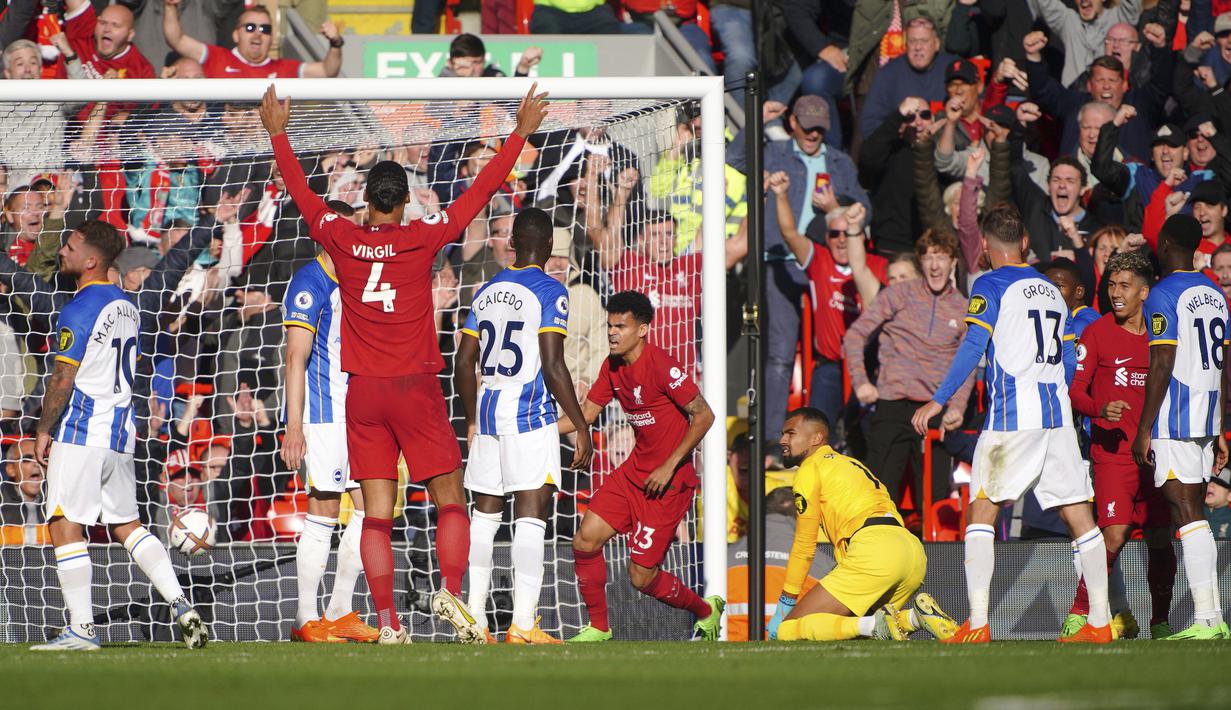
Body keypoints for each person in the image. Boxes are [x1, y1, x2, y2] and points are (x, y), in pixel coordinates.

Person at [260, 83, 549, 645]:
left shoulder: (340, 237)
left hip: (362, 395)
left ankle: (389, 622)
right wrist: (519, 133)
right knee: (451, 499)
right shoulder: (425, 237)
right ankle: (450, 590)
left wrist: (278, 133)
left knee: (373, 515)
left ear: (367, 199)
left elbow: (301, 194)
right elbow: (480, 193)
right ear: (405, 201)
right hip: (416, 388)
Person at [912, 204, 1113, 644]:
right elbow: (1065, 360)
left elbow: (973, 345)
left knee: (981, 509)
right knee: (1079, 514)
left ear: (984, 247)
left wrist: (938, 398)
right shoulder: (1049, 289)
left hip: (1012, 415)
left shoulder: (990, 284)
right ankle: (1100, 623)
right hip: (1056, 415)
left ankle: (980, 624)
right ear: (1024, 243)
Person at [30, 220, 207, 651]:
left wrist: (42, 427)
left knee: (63, 523)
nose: (63, 251)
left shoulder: (79, 308)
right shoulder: (128, 305)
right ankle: (181, 604)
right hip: (121, 432)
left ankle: (83, 629)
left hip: (82, 429)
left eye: (70, 246)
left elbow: (61, 379)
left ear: (91, 260)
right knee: (128, 525)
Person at [456, 207, 593, 645]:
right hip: (529, 416)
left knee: (484, 517)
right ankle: (522, 625)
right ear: (549, 247)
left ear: (512, 243)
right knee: (531, 516)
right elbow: (553, 365)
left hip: (489, 414)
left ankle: (474, 618)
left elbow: (462, 362)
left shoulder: (486, 289)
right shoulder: (551, 291)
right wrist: (580, 424)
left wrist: (471, 418)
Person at [559, 291, 723, 642]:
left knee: (641, 577)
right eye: (610, 326)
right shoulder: (611, 366)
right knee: (585, 540)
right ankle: (600, 629)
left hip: (669, 483)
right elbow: (585, 415)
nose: (613, 333)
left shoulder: (662, 365)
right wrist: (533, 429)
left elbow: (704, 415)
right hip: (634, 473)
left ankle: (705, 611)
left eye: (621, 326)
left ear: (643, 329)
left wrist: (668, 466)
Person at [766, 407, 957, 642]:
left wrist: (786, 601)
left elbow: (805, 544)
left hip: (874, 551)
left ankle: (883, 622)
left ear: (816, 438)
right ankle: (916, 618)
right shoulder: (852, 464)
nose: (782, 440)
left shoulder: (810, 468)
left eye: (790, 433)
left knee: (789, 630)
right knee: (859, 632)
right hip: (912, 552)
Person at [280, 202, 379, 645]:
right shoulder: (309, 283)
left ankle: (340, 612)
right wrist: (294, 426)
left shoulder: (356, 278)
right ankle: (306, 617)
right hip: (324, 414)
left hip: (357, 412)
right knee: (323, 511)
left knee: (369, 509)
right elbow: (295, 357)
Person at [1066, 250, 1177, 641]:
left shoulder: (1163, 335)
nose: (1116, 293)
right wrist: (1100, 408)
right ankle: (1080, 613)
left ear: (1144, 292)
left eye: (1125, 286)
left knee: (1161, 539)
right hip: (1113, 455)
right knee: (1114, 534)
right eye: (1111, 285)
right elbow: (1075, 393)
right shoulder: (1096, 332)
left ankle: (1160, 622)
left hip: (1155, 454)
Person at [1132, 213, 1231, 640]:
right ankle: (1212, 618)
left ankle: (1209, 618)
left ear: (1166, 241)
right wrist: (1222, 424)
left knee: (1187, 513)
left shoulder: (1163, 293)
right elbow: (1225, 364)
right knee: (1192, 513)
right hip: (1206, 416)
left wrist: (1144, 427)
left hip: (1175, 417)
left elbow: (1162, 362)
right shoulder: (1214, 292)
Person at [842, 229, 974, 519]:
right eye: (928, 258)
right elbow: (855, 336)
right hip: (893, 403)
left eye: (941, 257)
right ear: (921, 263)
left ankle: (935, 560)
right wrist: (862, 382)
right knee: (878, 492)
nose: (935, 265)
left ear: (953, 262)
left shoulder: (963, 307)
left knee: (935, 496)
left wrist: (958, 407)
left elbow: (968, 363)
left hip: (934, 407)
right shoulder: (899, 294)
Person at [163, 1, 342, 79]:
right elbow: (176, 39)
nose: (258, 34)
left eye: (265, 29)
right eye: (250, 28)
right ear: (236, 35)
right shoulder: (215, 57)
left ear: (271, 37)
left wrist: (335, 43)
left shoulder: (284, 68)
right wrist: (170, 6)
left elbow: (328, 71)